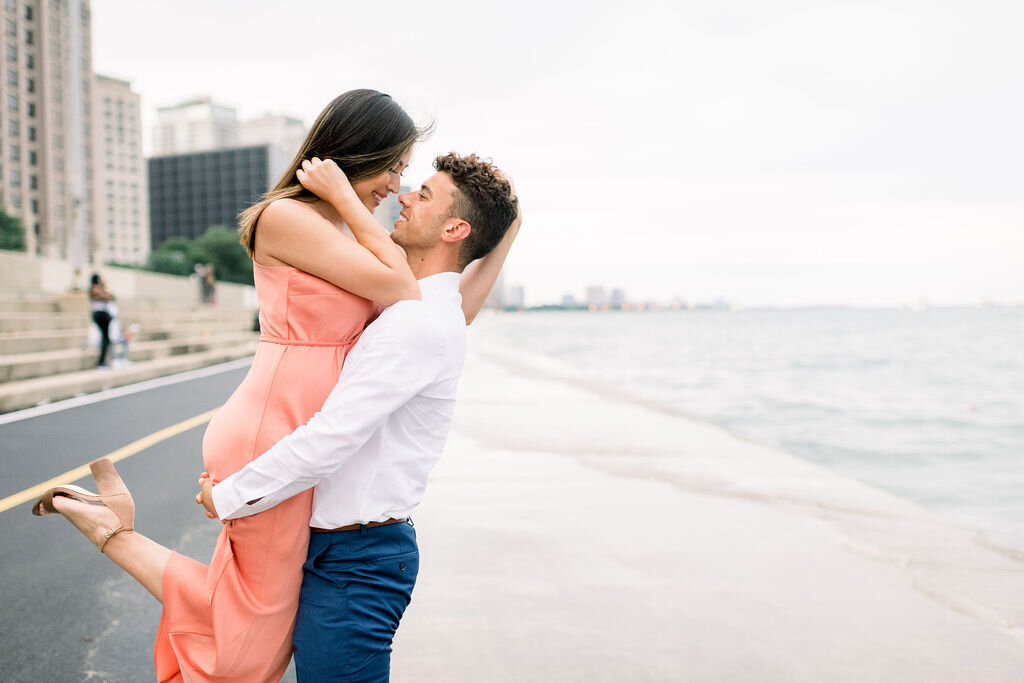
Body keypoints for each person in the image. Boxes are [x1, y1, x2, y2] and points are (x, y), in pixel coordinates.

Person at [31, 90, 518, 682]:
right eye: (394, 166)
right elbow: (405, 292)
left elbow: (446, 302)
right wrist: (343, 194)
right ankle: (114, 534)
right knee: (248, 647)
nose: (397, 184)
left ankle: (110, 525)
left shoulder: (355, 235)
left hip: (302, 433)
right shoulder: (290, 217)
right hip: (277, 423)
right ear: (356, 154)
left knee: (260, 623)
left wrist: (506, 230)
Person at [198, 152, 519, 681]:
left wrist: (227, 497)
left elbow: (329, 439)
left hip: (356, 561)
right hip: (351, 552)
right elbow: (461, 300)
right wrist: (510, 227)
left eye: (425, 194)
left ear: (455, 228)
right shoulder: (423, 311)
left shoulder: (416, 324)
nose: (404, 195)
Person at [89, 273, 115, 369]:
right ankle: (101, 362)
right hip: (100, 315)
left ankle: (103, 361)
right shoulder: (95, 288)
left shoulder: (100, 289)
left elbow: (110, 297)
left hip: (103, 315)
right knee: (105, 339)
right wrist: (104, 289)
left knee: (106, 339)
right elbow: (108, 297)